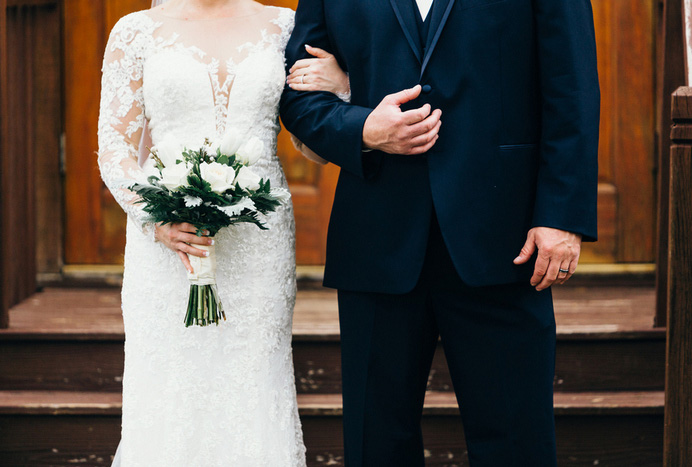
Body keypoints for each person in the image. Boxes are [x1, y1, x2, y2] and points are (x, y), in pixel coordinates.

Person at [280, 0, 600, 465]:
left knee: (516, 441)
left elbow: (571, 85)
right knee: (377, 444)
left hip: (503, 237)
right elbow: (298, 94)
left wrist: (562, 215)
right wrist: (363, 128)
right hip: (377, 238)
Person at [97, 0, 350, 465]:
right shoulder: (135, 32)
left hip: (259, 244)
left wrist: (344, 90)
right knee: (169, 386)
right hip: (168, 243)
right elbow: (114, 147)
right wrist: (158, 219)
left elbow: (311, 143)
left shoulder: (285, 27)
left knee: (253, 379)